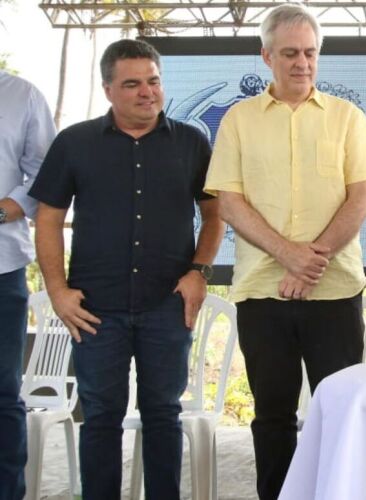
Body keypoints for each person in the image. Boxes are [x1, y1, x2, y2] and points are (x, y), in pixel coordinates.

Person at [204, 4, 366, 498]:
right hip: (262, 293)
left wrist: (310, 262)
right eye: (289, 53)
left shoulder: (348, 118)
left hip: (334, 292)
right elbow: (230, 202)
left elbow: (361, 198)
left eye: (310, 53)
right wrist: (288, 256)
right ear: (266, 56)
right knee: (272, 416)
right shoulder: (238, 120)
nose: (302, 63)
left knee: (342, 412)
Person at [29, 39, 223, 500]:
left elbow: (215, 215)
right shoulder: (74, 142)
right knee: (100, 417)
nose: (146, 93)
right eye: (132, 84)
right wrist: (57, 290)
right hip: (95, 310)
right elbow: (49, 220)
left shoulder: (192, 142)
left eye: (153, 81)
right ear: (108, 90)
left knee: (162, 414)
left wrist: (199, 271)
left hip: (167, 307)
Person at [0, 71, 55, 500]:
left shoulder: (21, 95)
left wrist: (9, 207)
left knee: (1, 393)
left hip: (2, 269)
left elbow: (45, 174)